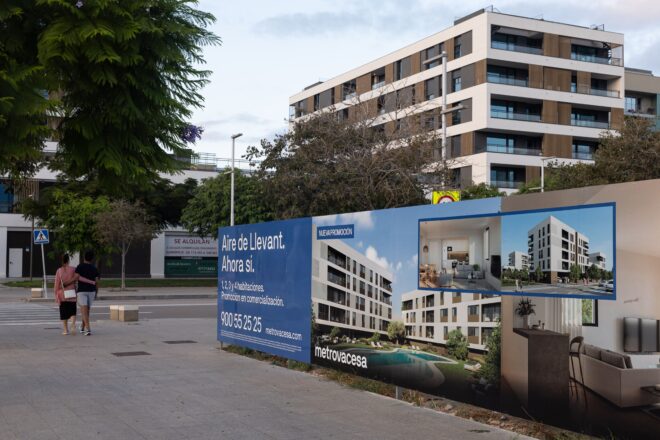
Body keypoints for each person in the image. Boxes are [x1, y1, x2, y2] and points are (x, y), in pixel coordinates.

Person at [76, 250, 100, 336]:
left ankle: (88, 329)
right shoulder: (94, 268)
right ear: (92, 259)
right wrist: (96, 292)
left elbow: (76, 278)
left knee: (84, 311)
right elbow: (97, 281)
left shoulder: (79, 267)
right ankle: (82, 326)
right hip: (91, 291)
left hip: (82, 291)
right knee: (87, 310)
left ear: (84, 257)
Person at [54, 254, 77, 335]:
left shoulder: (59, 271)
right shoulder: (73, 269)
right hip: (72, 293)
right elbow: (77, 279)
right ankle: (73, 324)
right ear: (68, 260)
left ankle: (65, 330)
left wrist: (56, 294)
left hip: (62, 294)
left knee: (64, 313)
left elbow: (57, 284)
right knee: (72, 311)